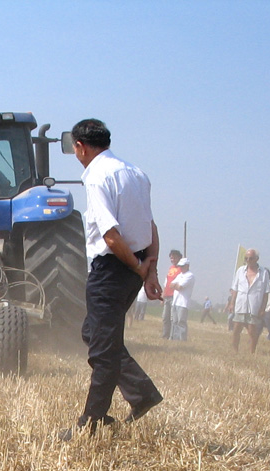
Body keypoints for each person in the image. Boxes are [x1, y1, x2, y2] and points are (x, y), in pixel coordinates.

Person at [61, 118, 163, 439]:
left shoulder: (96, 177)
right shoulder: (136, 173)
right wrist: (149, 268)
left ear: (80, 147)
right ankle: (142, 392)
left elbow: (110, 236)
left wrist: (136, 266)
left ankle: (90, 424)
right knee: (94, 333)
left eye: (75, 149)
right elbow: (151, 227)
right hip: (134, 266)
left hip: (114, 268)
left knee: (102, 350)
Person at [226, 249, 269, 353]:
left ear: (256, 259)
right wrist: (232, 303)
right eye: (246, 258)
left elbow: (266, 293)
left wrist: (263, 308)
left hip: (254, 305)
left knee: (252, 331)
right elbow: (235, 289)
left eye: (251, 258)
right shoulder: (240, 270)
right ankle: (235, 350)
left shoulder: (263, 273)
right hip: (241, 303)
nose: (248, 260)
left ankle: (252, 351)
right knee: (236, 329)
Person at [169, 257, 195, 341]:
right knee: (175, 322)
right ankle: (175, 339)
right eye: (180, 266)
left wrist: (176, 285)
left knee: (181, 322)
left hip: (183, 303)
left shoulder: (190, 275)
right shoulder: (180, 275)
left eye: (182, 266)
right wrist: (176, 285)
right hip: (175, 302)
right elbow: (170, 285)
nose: (181, 268)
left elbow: (179, 287)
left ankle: (182, 340)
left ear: (187, 266)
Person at [160, 249, 181, 339]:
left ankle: (172, 336)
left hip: (174, 296)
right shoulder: (171, 268)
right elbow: (166, 282)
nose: (172, 259)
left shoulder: (181, 269)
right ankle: (165, 335)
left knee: (172, 318)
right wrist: (163, 295)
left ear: (179, 258)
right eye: (171, 258)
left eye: (174, 257)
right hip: (167, 295)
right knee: (165, 317)